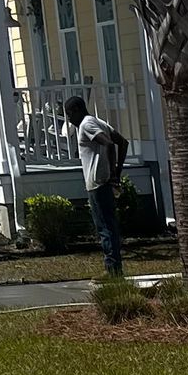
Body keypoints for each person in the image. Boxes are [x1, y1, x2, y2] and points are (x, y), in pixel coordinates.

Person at [64, 94, 127, 275]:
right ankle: (115, 269)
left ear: (77, 110)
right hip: (104, 182)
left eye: (69, 114)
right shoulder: (98, 121)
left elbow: (109, 144)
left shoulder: (86, 124)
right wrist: (117, 173)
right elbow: (122, 142)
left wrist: (114, 173)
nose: (69, 119)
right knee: (110, 227)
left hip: (98, 183)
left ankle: (112, 270)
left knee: (105, 229)